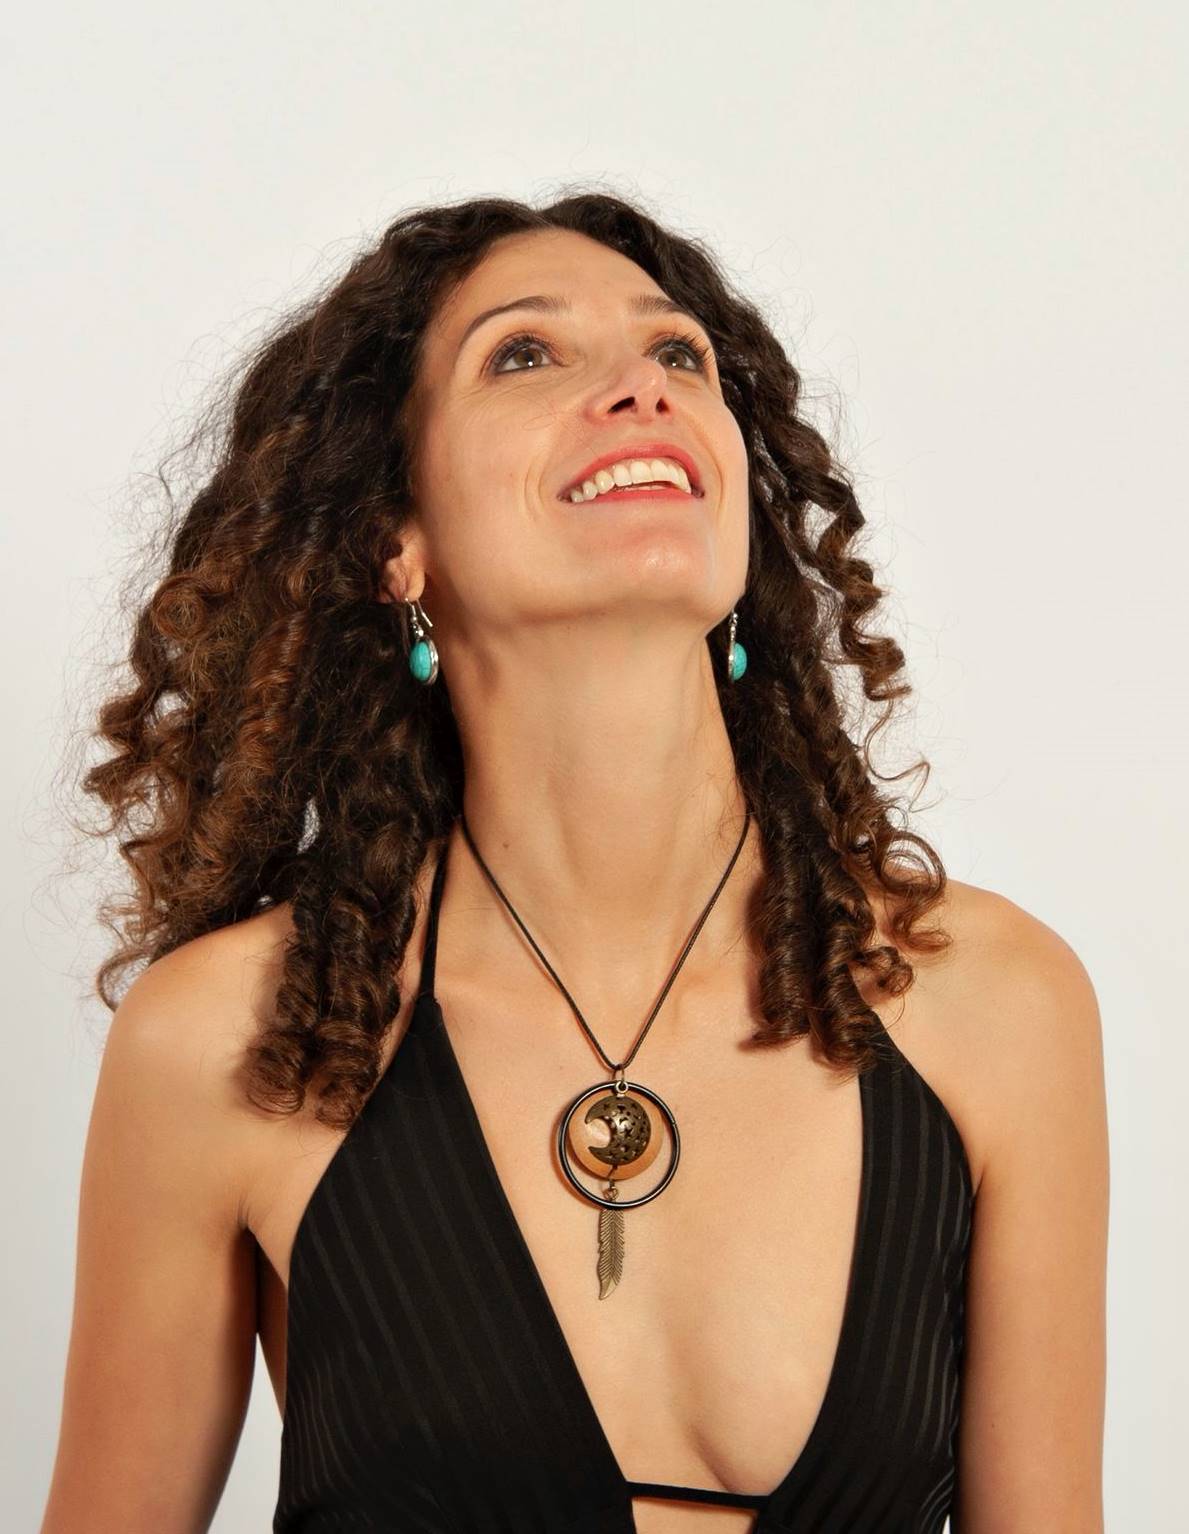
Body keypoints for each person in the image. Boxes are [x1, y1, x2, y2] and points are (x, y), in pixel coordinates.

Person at [40, 191, 1109, 1533]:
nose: (641, 388)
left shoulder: (994, 1003)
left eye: (678, 354)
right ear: (393, 539)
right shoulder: (225, 1042)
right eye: (526, 354)